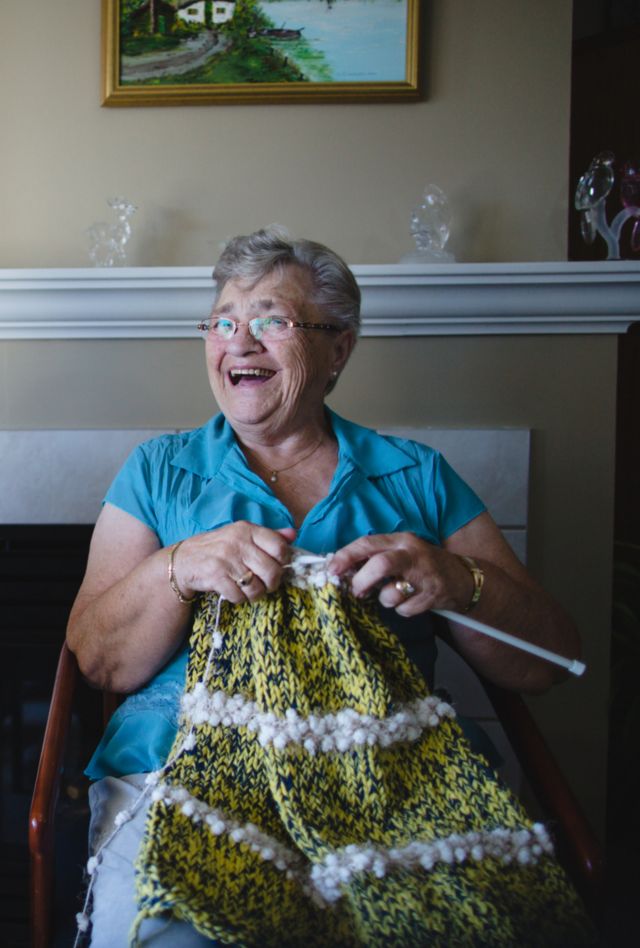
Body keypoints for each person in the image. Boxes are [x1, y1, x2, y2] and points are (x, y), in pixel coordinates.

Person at [67, 226, 581, 946]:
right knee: (179, 932)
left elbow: (547, 661)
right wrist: (176, 567)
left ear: (338, 345)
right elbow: (98, 660)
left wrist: (459, 579)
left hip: (392, 777)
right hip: (189, 770)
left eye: (271, 323)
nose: (238, 343)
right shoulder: (161, 470)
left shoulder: (414, 475)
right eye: (223, 322)